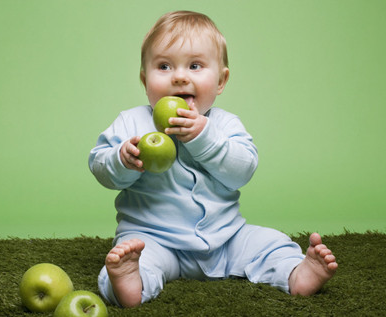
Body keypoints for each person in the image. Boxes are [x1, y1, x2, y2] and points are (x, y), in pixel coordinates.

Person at [88, 10, 338, 308]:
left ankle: (296, 272)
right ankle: (129, 283)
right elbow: (100, 166)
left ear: (221, 80)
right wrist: (122, 160)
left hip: (226, 238)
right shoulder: (131, 123)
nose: (180, 76)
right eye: (164, 66)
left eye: (195, 65)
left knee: (271, 242)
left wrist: (202, 137)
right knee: (135, 258)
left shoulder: (225, 125)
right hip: (154, 239)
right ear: (145, 79)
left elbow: (242, 170)